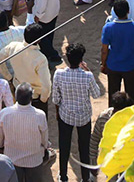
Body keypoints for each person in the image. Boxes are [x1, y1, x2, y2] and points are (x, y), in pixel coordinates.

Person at [52, 43, 102, 182]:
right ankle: (85, 177)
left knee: (64, 146)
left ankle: (63, 176)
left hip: (65, 115)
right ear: (81, 59)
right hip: (83, 117)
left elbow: (56, 98)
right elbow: (97, 94)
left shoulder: (59, 74)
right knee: (84, 148)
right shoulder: (88, 76)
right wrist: (87, 70)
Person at [0, 83, 51, 182]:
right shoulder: (40, 115)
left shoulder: (4, 113)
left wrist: (0, 145)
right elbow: (44, 138)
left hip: (11, 160)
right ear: (31, 98)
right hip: (34, 161)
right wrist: (45, 147)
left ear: (15, 97)